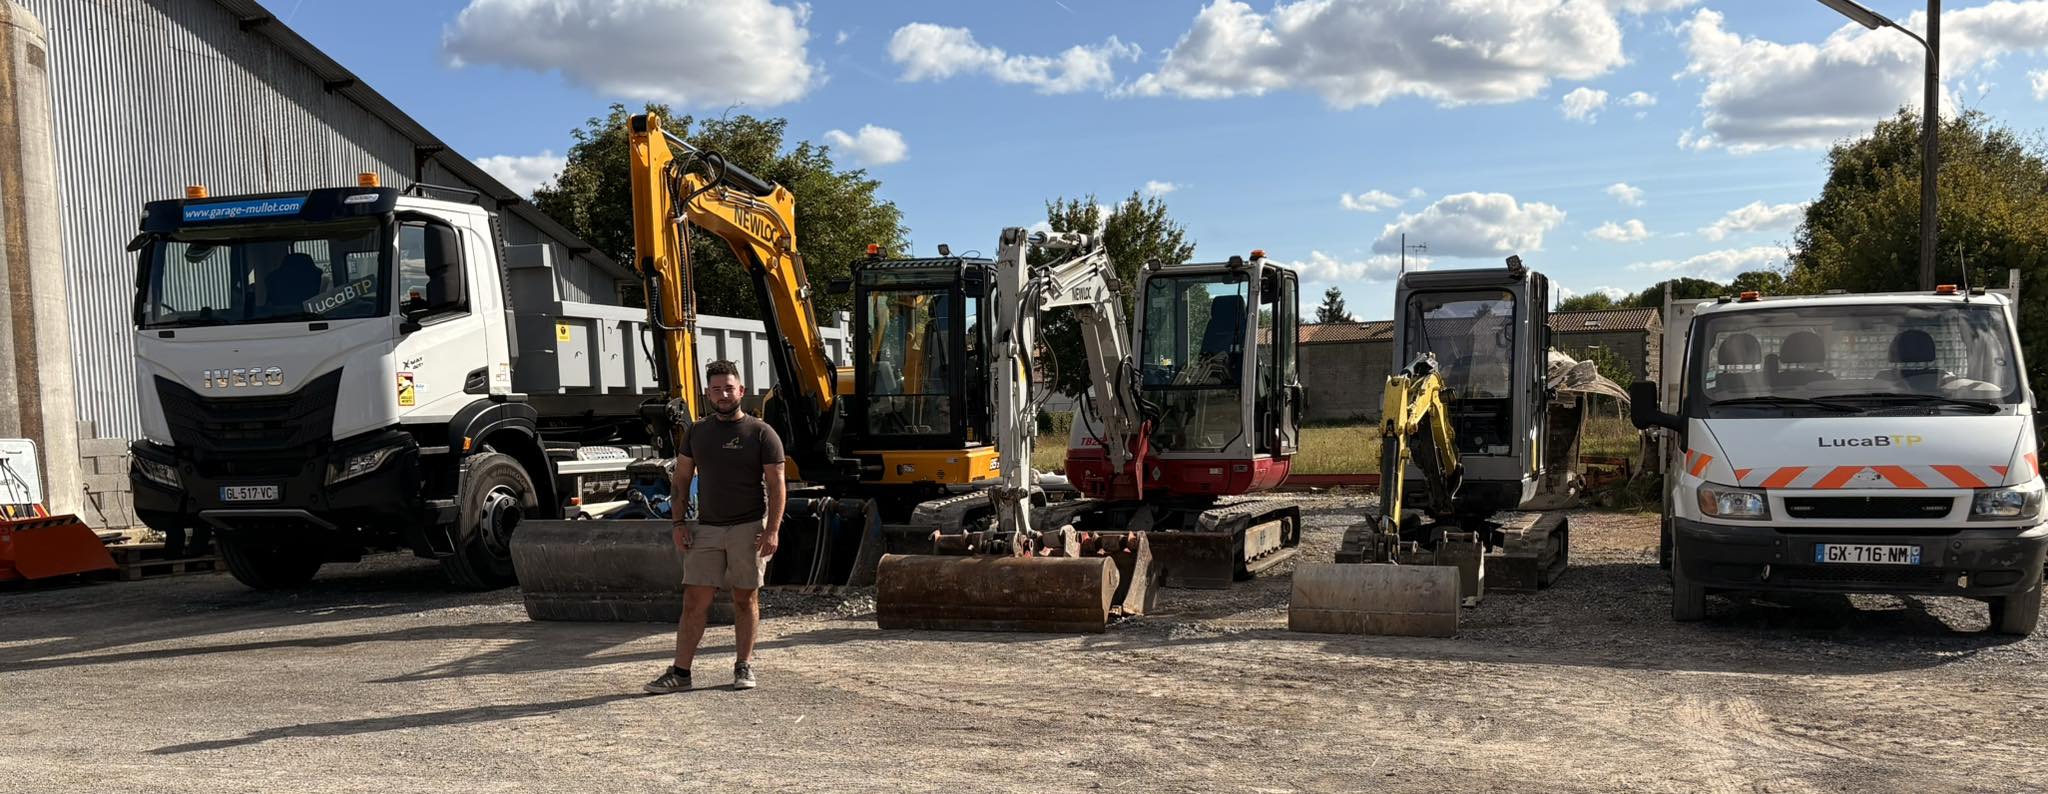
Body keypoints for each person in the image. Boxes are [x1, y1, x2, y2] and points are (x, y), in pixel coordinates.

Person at [644, 360, 785, 694]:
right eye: (716, 389)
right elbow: (681, 479)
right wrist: (678, 522)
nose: (723, 395)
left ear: (741, 391)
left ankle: (743, 666)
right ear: (707, 394)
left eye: (729, 388)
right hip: (706, 528)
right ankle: (681, 673)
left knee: (744, 598)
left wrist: (772, 530)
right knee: (694, 600)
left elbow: (777, 484)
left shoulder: (761, 433)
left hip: (748, 528)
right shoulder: (697, 432)